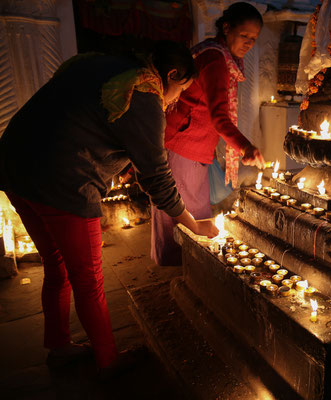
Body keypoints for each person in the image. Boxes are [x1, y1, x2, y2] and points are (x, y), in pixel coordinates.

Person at [0, 41, 219, 373]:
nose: (175, 100)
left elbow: (88, 119)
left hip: (15, 168)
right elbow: (158, 177)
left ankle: (59, 347)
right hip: (63, 181)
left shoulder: (105, 63)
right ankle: (109, 362)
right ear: (171, 74)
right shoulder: (143, 93)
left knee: (56, 266)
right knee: (88, 280)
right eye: (181, 89)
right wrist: (192, 223)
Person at [151, 2, 266, 266]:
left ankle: (176, 262)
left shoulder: (214, 53)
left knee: (182, 208)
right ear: (227, 28)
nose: (249, 43)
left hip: (186, 142)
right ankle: (182, 266)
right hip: (185, 144)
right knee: (185, 211)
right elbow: (218, 115)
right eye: (244, 35)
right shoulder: (216, 60)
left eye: (254, 39)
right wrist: (245, 147)